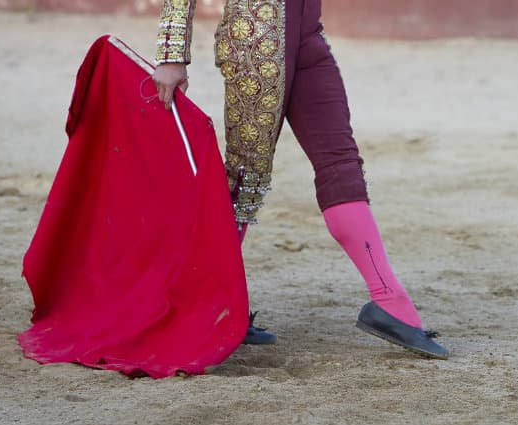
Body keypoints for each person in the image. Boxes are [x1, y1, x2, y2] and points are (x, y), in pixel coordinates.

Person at [152, 0, 449, 359]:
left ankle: (390, 302)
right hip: (256, 38)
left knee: (340, 163)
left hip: (307, 32)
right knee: (245, 176)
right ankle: (204, 301)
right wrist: (171, 54)